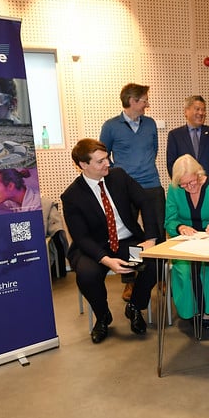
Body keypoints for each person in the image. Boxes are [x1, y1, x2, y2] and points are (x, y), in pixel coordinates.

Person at [61, 139, 158, 344]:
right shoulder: (72, 196)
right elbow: (81, 237)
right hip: (93, 249)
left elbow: (145, 201)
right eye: (100, 161)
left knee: (151, 263)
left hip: (126, 243)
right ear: (83, 165)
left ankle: (134, 306)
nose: (108, 164)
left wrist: (150, 239)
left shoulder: (118, 176)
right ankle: (103, 315)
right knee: (87, 275)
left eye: (107, 158)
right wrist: (106, 260)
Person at [99, 83, 166, 302]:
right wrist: (119, 175)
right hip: (125, 190)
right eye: (144, 100)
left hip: (152, 184)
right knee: (130, 236)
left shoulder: (150, 123)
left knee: (157, 233)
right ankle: (131, 279)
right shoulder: (110, 126)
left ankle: (159, 276)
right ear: (132, 101)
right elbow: (103, 155)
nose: (147, 104)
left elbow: (153, 150)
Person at [165, 154, 209, 328]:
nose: (189, 187)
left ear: (199, 174)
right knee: (185, 272)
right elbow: (169, 221)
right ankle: (191, 310)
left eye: (192, 182)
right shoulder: (175, 189)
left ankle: (208, 310)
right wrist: (180, 227)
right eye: (184, 185)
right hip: (185, 243)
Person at [166, 95, 209, 180]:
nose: (201, 113)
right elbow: (172, 164)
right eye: (197, 109)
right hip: (185, 185)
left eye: (203, 110)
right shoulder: (175, 135)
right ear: (186, 111)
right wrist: (185, 183)